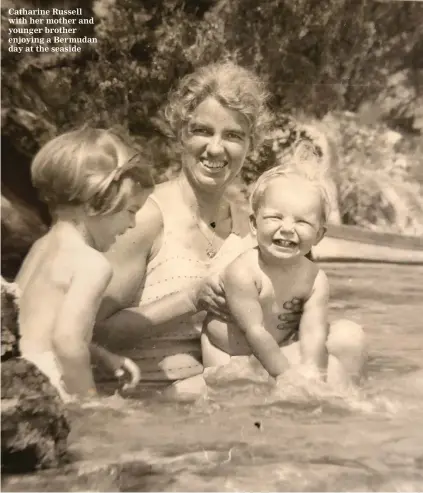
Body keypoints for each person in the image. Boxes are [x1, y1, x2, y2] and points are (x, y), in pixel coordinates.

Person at [94, 61, 365, 397]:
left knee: (346, 337)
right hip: (151, 392)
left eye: (233, 135)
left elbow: (294, 319)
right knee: (333, 369)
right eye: (203, 131)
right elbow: (92, 334)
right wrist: (190, 299)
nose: (216, 148)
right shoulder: (145, 217)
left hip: (226, 390)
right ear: (181, 133)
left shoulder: (255, 228)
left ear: (250, 145)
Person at [15, 127, 154, 401]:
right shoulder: (92, 265)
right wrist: (90, 402)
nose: (132, 225)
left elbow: (37, 330)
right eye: (131, 211)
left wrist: (100, 355)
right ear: (97, 203)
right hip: (48, 390)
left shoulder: (40, 248)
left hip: (17, 381)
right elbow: (67, 343)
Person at [202, 166, 367, 389]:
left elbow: (313, 332)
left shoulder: (315, 278)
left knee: (348, 338)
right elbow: (255, 331)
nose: (288, 228)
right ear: (254, 224)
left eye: (302, 222)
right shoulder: (243, 272)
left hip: (276, 350)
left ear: (319, 235)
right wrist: (287, 376)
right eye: (275, 217)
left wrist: (313, 374)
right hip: (230, 359)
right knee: (243, 384)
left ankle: (344, 402)